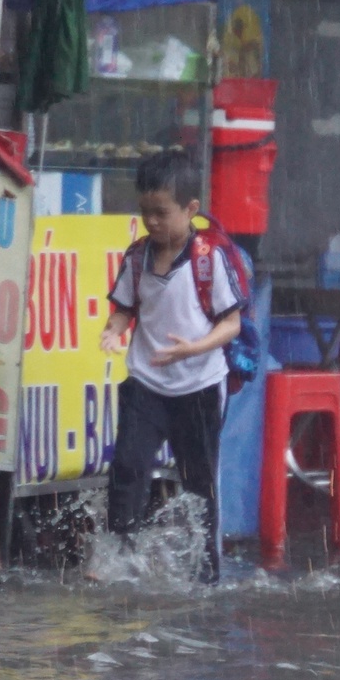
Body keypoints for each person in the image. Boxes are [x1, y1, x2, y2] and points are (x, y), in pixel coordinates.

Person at [99, 148, 243, 584]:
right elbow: (124, 307)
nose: (153, 222)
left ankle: (205, 574)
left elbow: (231, 324)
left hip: (199, 386)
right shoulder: (138, 256)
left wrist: (194, 348)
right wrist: (113, 329)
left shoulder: (209, 258)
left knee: (199, 485)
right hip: (146, 380)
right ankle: (118, 555)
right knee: (128, 468)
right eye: (145, 212)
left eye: (162, 213)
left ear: (191, 209)